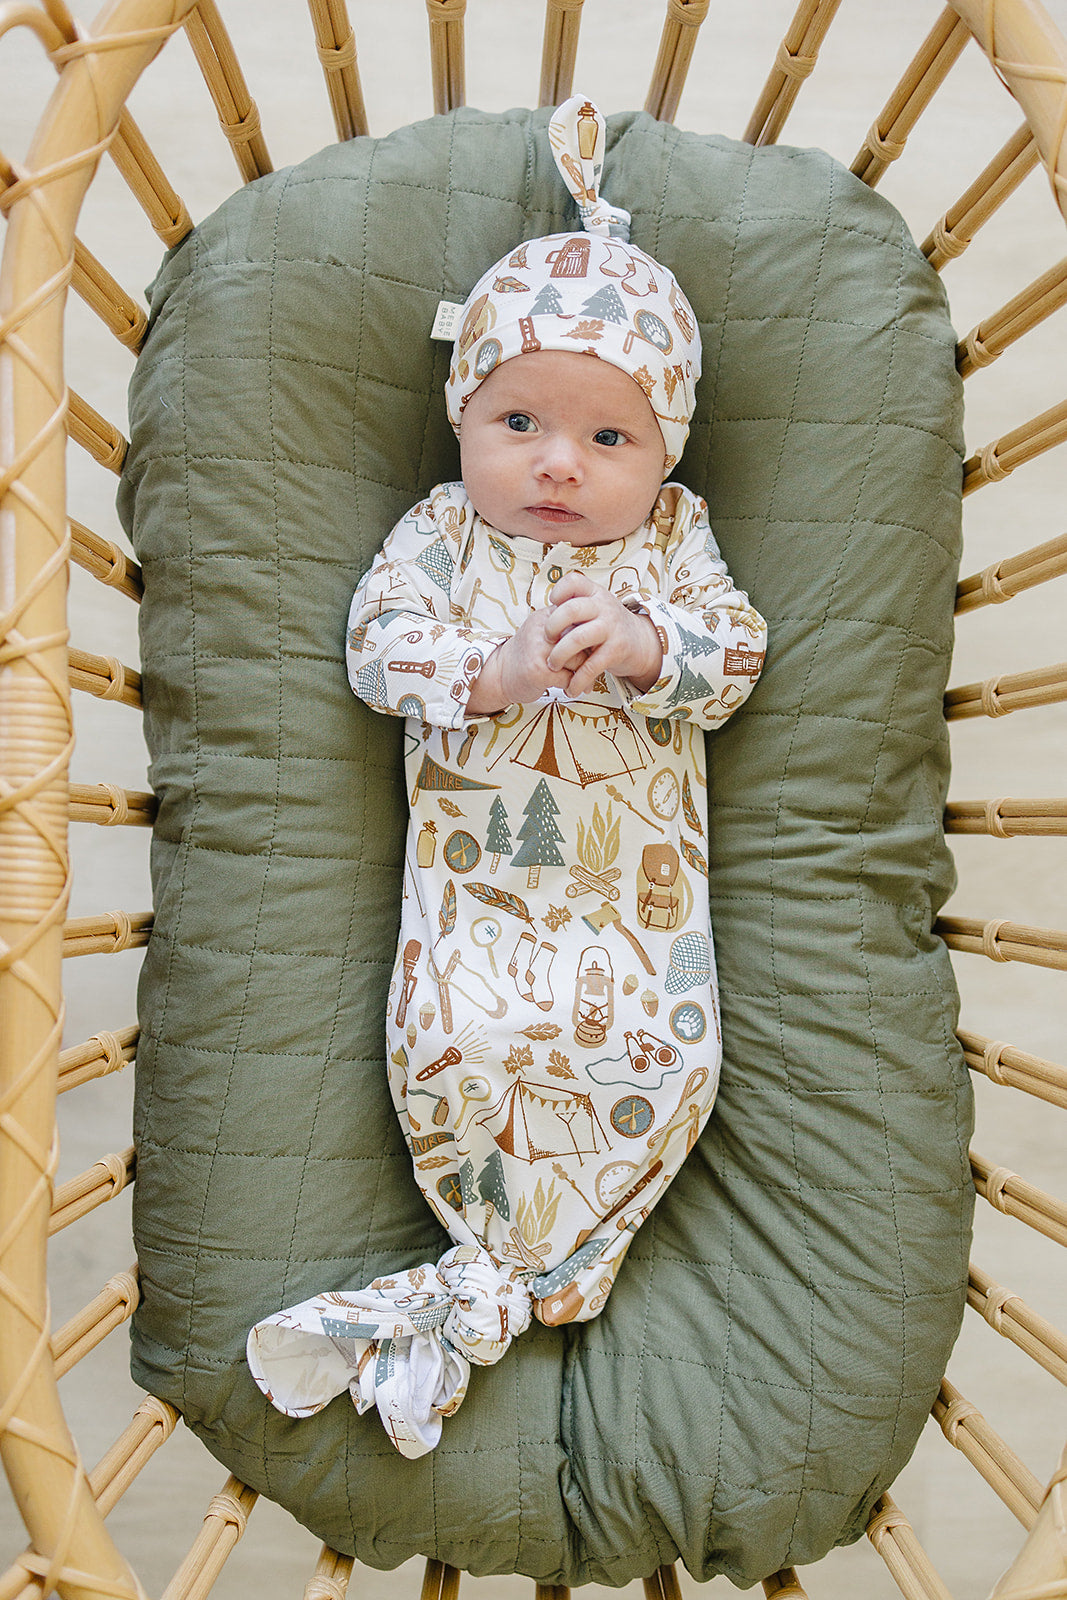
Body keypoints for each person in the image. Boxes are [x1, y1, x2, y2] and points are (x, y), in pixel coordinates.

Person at [247, 95, 767, 1459]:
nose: (556, 463)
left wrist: (647, 645)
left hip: (633, 908)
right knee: (453, 1031)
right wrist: (492, 671)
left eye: (609, 441)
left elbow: (737, 655)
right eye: (520, 419)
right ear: (461, 413)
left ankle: (571, 1246)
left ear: (667, 455)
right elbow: (377, 648)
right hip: (477, 906)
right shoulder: (443, 537)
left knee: (658, 1041)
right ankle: (488, 1241)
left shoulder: (671, 544)